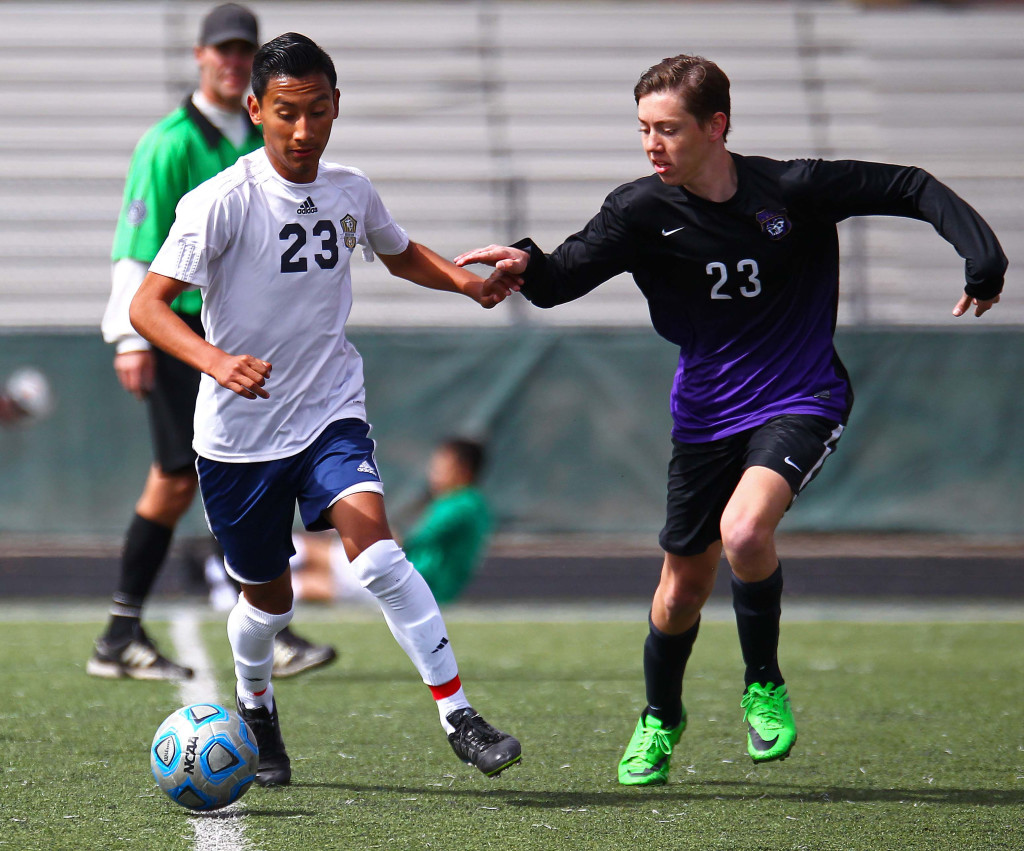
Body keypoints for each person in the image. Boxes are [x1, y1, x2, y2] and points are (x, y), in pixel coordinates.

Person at [454, 54, 1006, 786]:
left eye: (669, 129)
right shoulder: (639, 210)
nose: (652, 144)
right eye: (644, 128)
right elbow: (560, 280)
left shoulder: (794, 190)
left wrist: (982, 256)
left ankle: (763, 685)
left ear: (717, 126)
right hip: (705, 417)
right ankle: (660, 716)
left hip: (800, 397)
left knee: (746, 530)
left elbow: (909, 184)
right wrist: (524, 261)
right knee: (681, 588)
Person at [129, 33, 522, 786]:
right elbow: (147, 306)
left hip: (329, 413)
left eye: (317, 112)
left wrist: (467, 284)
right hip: (238, 439)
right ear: (256, 109)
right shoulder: (220, 201)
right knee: (267, 604)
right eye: (285, 114)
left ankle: (459, 714)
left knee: (378, 555)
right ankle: (256, 706)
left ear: (336, 105)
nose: (303, 131)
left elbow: (398, 250)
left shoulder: (350, 188)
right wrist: (216, 361)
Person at [92, 4, 335, 682]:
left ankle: (133, 630)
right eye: (221, 51)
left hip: (245, 330)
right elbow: (136, 251)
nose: (231, 62)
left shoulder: (263, 136)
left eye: (242, 52)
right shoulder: (170, 142)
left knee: (231, 469)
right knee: (180, 475)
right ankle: (137, 629)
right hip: (184, 329)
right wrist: (127, 337)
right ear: (200, 56)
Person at [290, 438, 492, 605]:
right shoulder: (469, 503)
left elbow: (407, 539)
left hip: (411, 585)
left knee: (314, 568)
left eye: (441, 467)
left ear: (463, 470)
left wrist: (352, 524)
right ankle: (264, 584)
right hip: (416, 585)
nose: (434, 472)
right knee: (316, 566)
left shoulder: (462, 503)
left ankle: (261, 587)